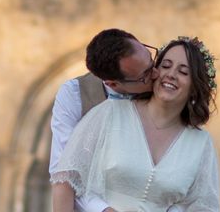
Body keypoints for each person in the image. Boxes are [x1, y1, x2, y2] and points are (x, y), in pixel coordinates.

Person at [51, 37, 220, 212]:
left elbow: (204, 206)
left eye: (183, 72)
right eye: (166, 66)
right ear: (155, 71)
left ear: (195, 86)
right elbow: (66, 178)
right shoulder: (109, 113)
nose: (171, 74)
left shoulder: (201, 143)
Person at [49, 28, 159, 212]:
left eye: (150, 56)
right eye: (144, 76)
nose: (156, 73)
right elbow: (65, 175)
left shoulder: (164, 91)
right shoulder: (75, 94)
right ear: (113, 84)